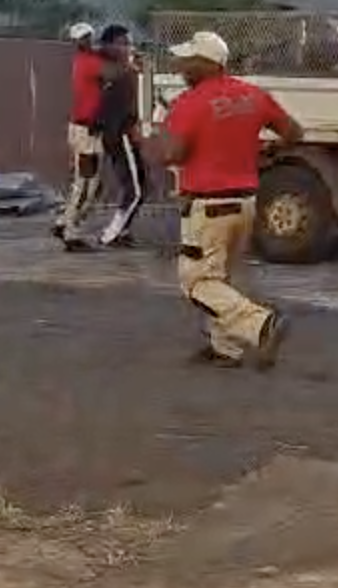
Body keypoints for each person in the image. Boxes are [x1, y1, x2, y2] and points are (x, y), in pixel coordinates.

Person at [156, 30, 303, 370]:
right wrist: (268, 151)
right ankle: (225, 349)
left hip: (208, 206)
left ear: (207, 63)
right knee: (223, 278)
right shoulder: (252, 95)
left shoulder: (189, 102)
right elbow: (294, 132)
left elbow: (173, 154)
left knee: (197, 281)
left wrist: (161, 134)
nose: (182, 67)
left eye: (189, 60)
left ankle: (261, 324)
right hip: (246, 202)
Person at [94, 24, 148, 247]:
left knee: (137, 185)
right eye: (123, 44)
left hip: (120, 135)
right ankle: (110, 234)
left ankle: (122, 231)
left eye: (129, 44)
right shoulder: (115, 72)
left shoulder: (120, 71)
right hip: (120, 136)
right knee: (136, 191)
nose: (129, 48)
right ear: (109, 46)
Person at [52, 22, 104, 252]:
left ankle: (64, 221)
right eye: (83, 38)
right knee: (87, 185)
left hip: (82, 127)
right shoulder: (89, 62)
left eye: (88, 36)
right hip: (86, 129)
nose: (87, 41)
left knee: (83, 182)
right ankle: (71, 232)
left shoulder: (85, 60)